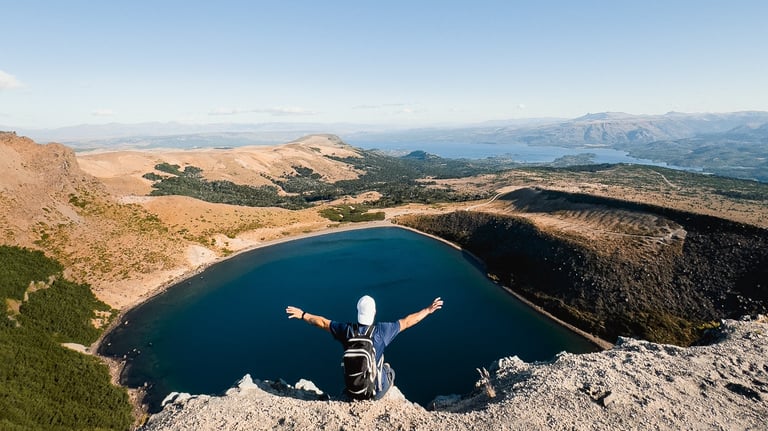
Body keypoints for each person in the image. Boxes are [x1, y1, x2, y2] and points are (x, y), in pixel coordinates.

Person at [286, 295, 443, 400]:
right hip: (375, 393)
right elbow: (408, 321)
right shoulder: (381, 331)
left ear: (358, 312)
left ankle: (353, 391)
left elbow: (322, 322)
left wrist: (303, 314)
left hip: (352, 391)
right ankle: (381, 388)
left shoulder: (347, 330)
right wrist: (428, 310)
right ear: (374, 312)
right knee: (388, 369)